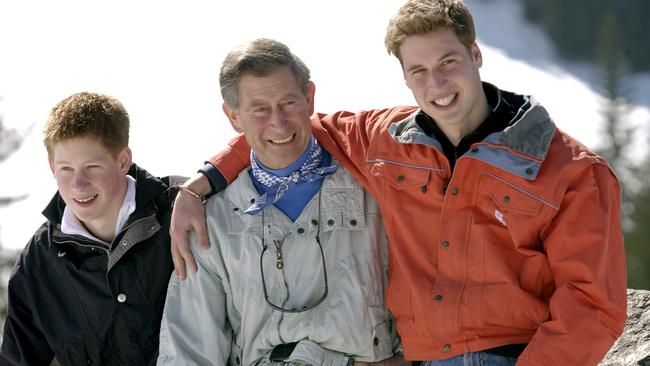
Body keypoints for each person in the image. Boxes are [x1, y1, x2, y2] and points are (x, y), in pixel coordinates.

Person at [170, 1, 628, 365]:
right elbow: (286, 131)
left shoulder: (570, 170)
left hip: (515, 355)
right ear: (405, 77)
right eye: (419, 71)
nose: (437, 84)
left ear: (476, 55)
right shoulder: (385, 140)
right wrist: (202, 184)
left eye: (449, 62)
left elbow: (592, 305)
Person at [156, 38, 405, 366]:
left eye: (288, 102)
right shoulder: (209, 224)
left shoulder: (375, 190)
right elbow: (189, 351)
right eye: (259, 109)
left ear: (309, 97)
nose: (279, 122)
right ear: (233, 116)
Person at [0, 92, 183, 365]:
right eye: (66, 169)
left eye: (92, 167)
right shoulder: (39, 263)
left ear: (123, 161)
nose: (78, 185)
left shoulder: (180, 210)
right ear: (52, 166)